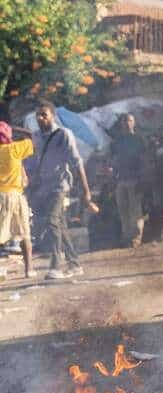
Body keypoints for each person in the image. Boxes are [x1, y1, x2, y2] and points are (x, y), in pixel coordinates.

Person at [25, 100, 95, 278]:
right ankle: (75, 263)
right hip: (43, 187)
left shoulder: (64, 134)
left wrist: (86, 191)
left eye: (44, 115)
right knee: (59, 224)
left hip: (59, 186)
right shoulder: (36, 137)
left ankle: (56, 265)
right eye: (38, 116)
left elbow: (76, 162)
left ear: (52, 116)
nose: (41, 119)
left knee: (52, 221)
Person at [0, 121, 34, 278]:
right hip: (15, 196)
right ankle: (29, 270)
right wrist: (13, 128)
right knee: (24, 234)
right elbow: (32, 136)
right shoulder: (15, 149)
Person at [109, 113, 147, 247]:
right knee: (123, 210)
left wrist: (143, 178)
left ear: (134, 123)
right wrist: (112, 174)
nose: (126, 123)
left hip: (135, 179)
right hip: (121, 180)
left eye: (129, 120)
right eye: (124, 120)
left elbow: (144, 160)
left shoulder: (139, 139)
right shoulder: (117, 141)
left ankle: (136, 239)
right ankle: (126, 237)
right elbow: (113, 160)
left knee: (135, 210)